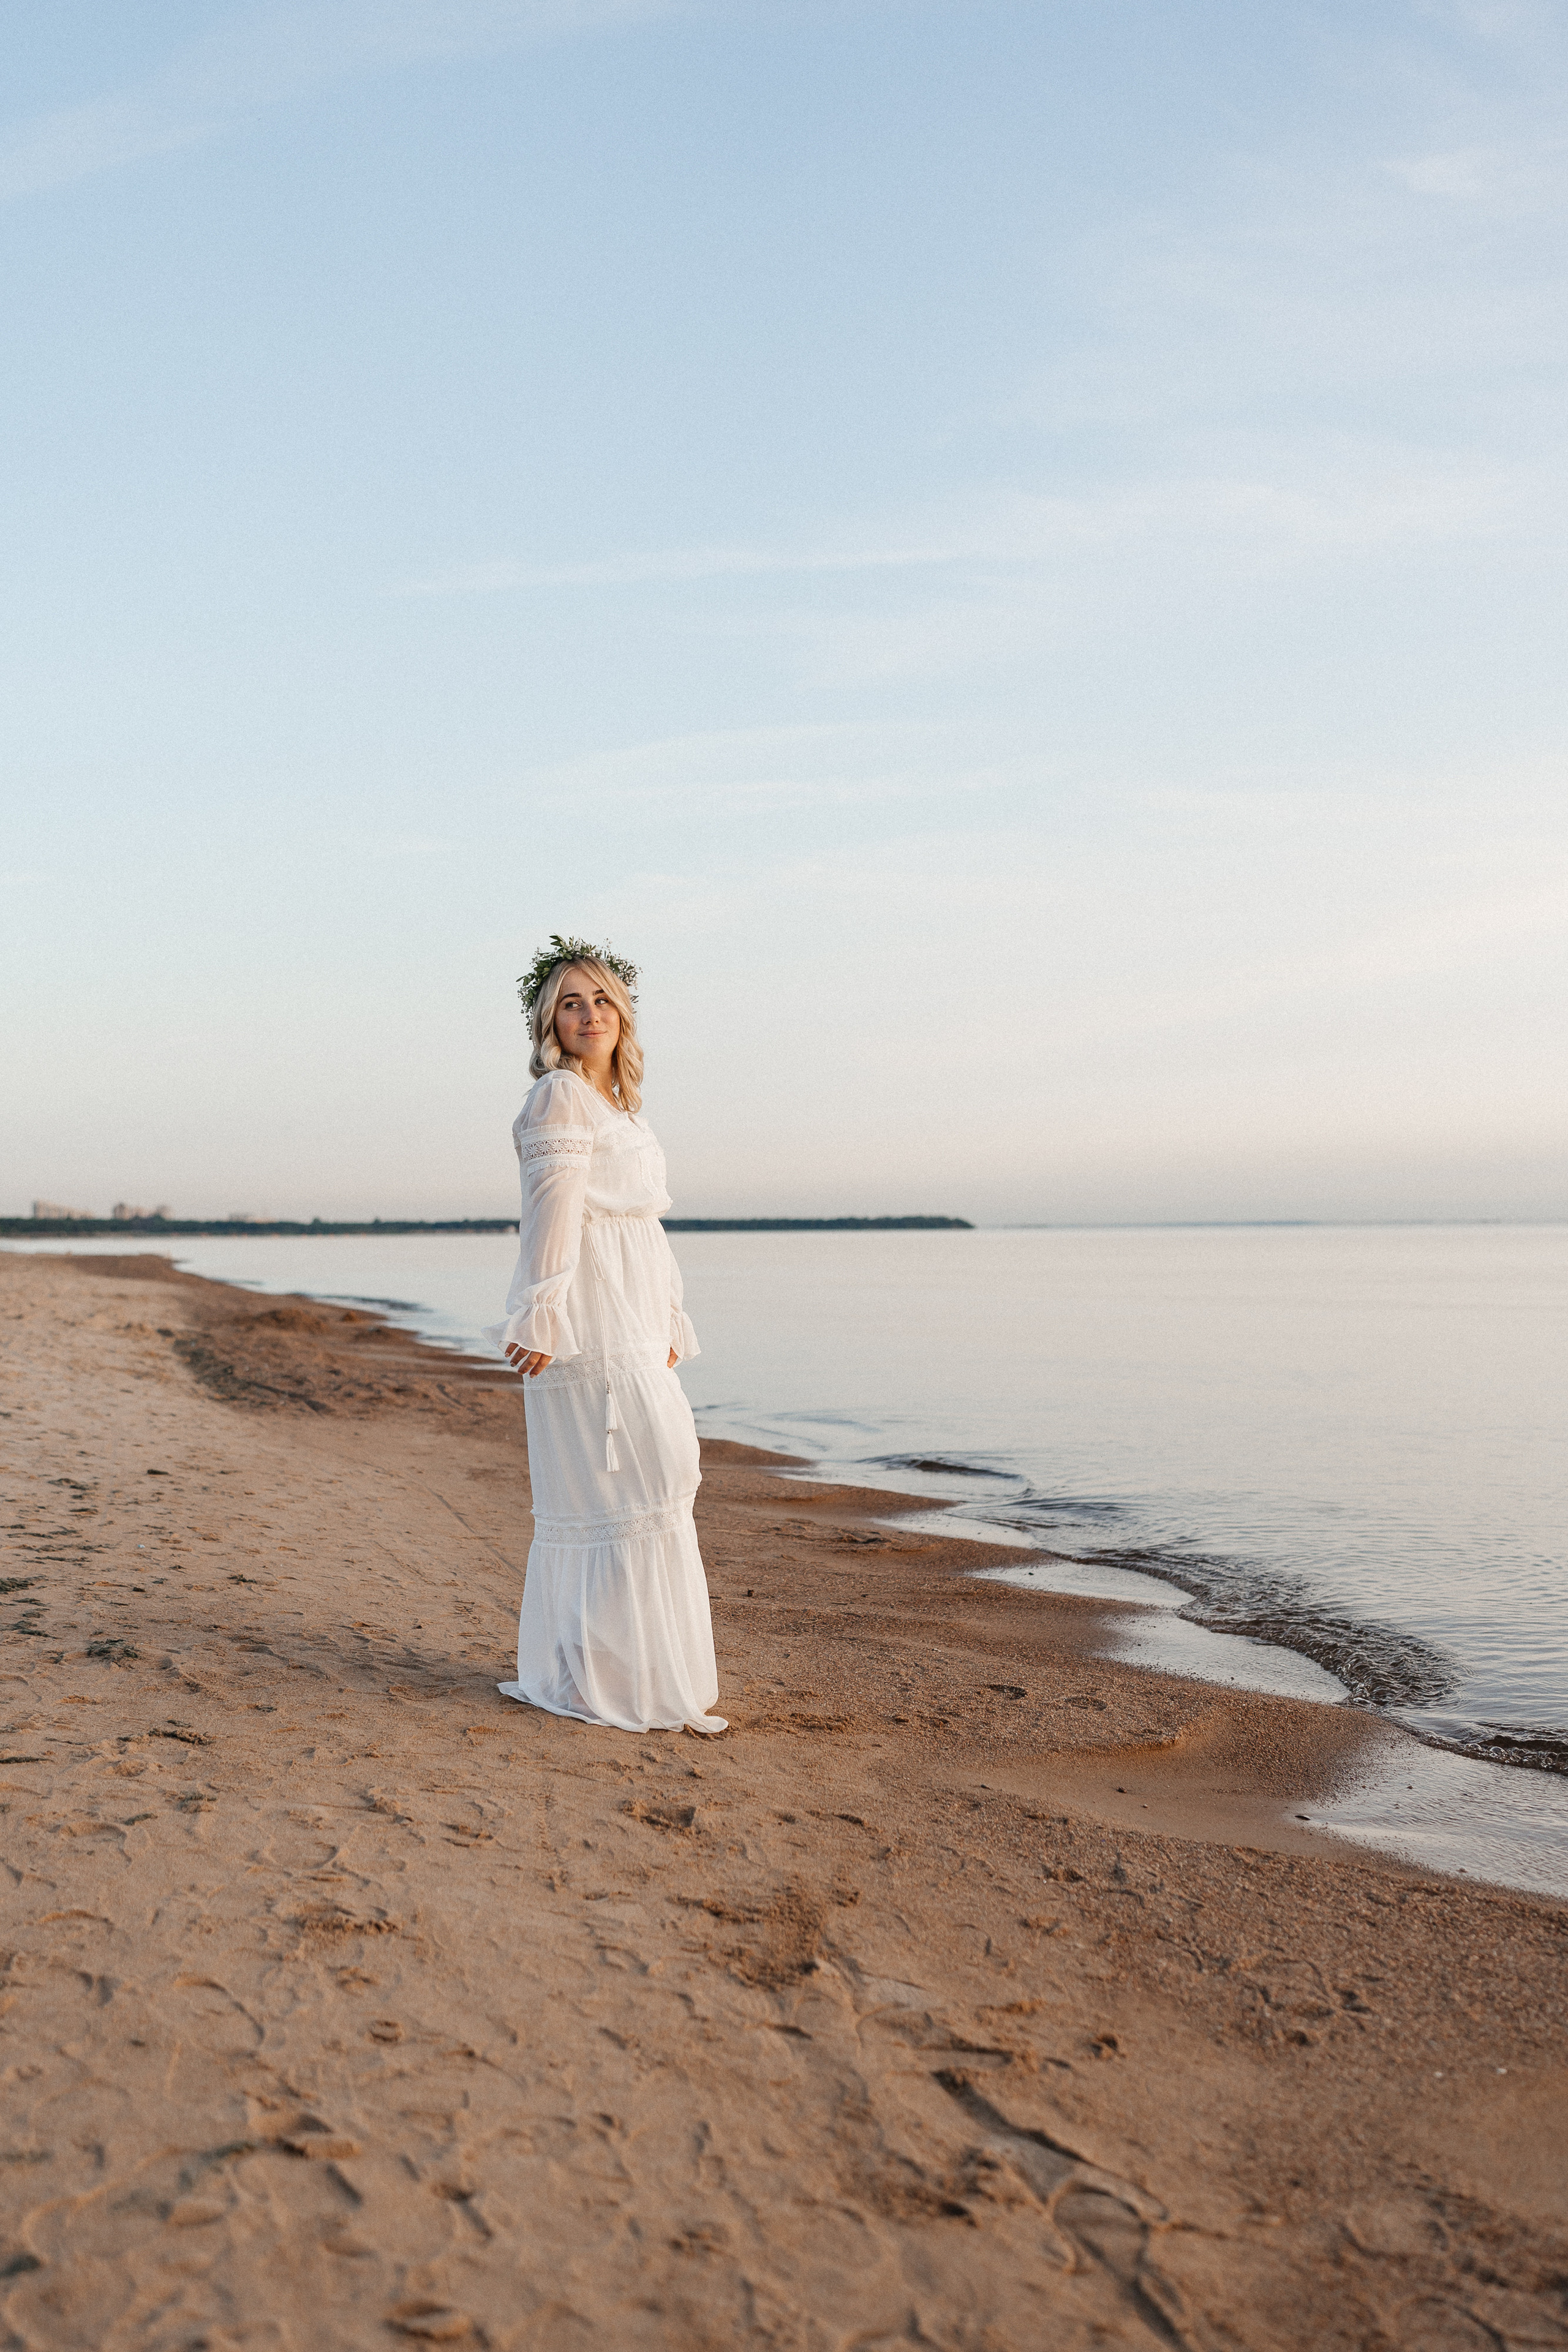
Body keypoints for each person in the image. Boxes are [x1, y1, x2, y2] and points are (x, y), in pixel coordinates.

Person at [483, 937, 725, 1734]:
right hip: (586, 1323)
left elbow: (643, 1227)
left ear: (624, 1014)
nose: (590, 1015)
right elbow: (553, 1212)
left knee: (660, 1480)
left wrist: (670, 1315)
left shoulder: (618, 1107)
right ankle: (588, 1674)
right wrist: (543, 1309)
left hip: (631, 1315)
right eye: (571, 1003)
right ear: (550, 1021)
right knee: (637, 1481)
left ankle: (617, 1668)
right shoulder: (559, 1096)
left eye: (602, 1000)